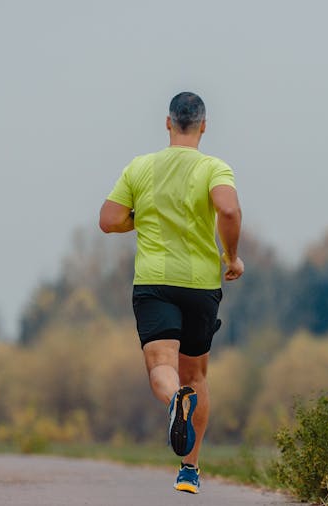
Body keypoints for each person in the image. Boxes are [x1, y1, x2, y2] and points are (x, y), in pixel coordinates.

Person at [98, 91, 244, 494]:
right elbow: (229, 211)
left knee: (161, 366)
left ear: (167, 123)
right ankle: (189, 470)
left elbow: (108, 220)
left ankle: (174, 399)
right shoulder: (215, 168)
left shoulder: (141, 167)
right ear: (203, 125)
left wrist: (140, 217)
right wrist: (232, 257)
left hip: (154, 282)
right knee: (196, 374)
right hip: (201, 284)